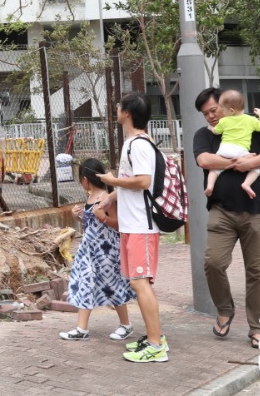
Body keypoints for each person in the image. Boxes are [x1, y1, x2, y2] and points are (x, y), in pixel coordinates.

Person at [193, 87, 260, 349]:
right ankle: (225, 309)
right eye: (206, 114)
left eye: (214, 110)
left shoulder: (251, 124)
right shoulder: (205, 134)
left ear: (227, 106)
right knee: (213, 262)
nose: (211, 116)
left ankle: (258, 328)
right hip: (221, 210)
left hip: (256, 211)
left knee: (257, 272)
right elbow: (204, 159)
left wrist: (250, 164)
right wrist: (237, 162)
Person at [97, 93, 167, 363]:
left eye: (119, 106)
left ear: (127, 112)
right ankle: (154, 339)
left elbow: (142, 181)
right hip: (132, 225)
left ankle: (156, 345)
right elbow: (131, 182)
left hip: (141, 225)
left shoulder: (138, 144)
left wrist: (111, 180)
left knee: (141, 283)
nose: (116, 109)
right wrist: (112, 195)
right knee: (139, 283)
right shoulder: (133, 143)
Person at [58, 158, 136, 342]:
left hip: (106, 251)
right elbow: (90, 224)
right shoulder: (91, 196)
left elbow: (117, 225)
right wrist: (78, 217)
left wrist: (102, 217)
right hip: (89, 250)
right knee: (85, 282)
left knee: (113, 286)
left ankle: (126, 325)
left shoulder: (106, 197)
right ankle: (81, 328)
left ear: (85, 178)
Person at [203, 90, 260, 199]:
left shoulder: (224, 121)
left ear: (231, 110)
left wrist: (210, 128)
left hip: (224, 149)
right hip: (240, 151)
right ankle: (246, 184)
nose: (222, 112)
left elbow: (216, 131)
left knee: (214, 170)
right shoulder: (250, 119)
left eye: (223, 110)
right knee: (256, 168)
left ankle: (210, 185)